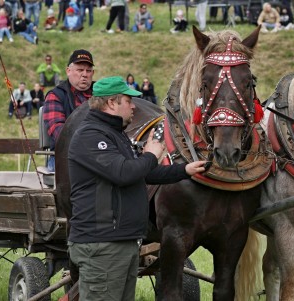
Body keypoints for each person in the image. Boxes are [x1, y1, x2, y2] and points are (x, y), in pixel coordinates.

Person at [67, 76, 207, 301]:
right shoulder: (90, 135)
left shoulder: (115, 134)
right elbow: (124, 173)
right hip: (103, 245)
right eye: (128, 100)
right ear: (112, 103)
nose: (133, 106)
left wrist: (185, 170)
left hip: (122, 242)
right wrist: (151, 154)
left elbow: (144, 173)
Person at [43, 49, 95, 172]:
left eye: (88, 71)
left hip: (99, 152)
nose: (85, 74)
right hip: (64, 156)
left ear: (93, 73)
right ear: (68, 71)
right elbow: (60, 134)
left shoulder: (102, 93)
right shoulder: (55, 96)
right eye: (80, 70)